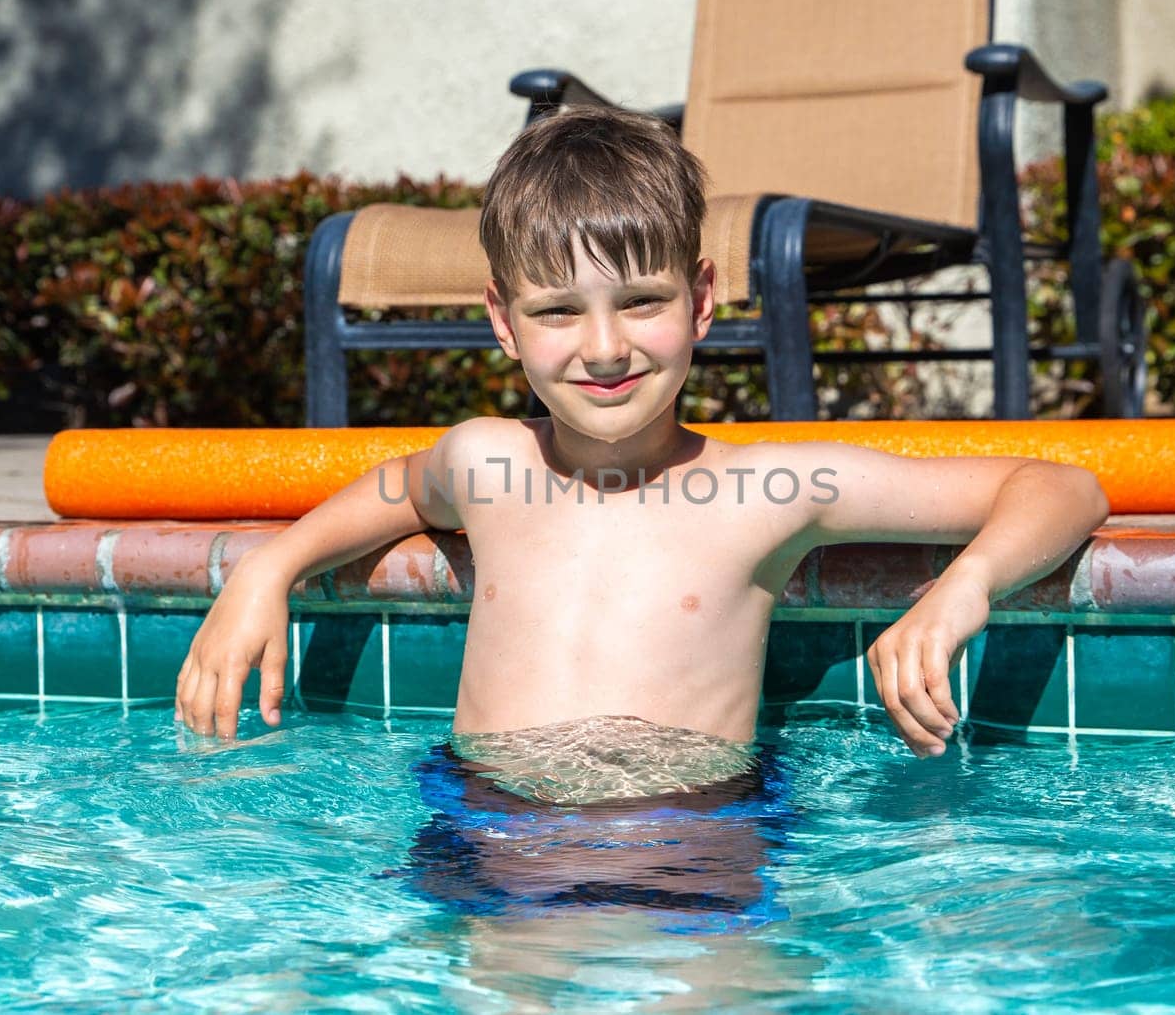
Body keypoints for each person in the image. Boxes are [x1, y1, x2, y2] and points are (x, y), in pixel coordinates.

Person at [173, 104, 1110, 763]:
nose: (606, 347)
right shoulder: (488, 462)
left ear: (701, 299)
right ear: (503, 321)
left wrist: (963, 589)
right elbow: (397, 488)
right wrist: (271, 567)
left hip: (691, 837)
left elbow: (1064, 486)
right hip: (487, 828)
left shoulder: (768, 489)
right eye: (558, 313)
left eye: (642, 302)